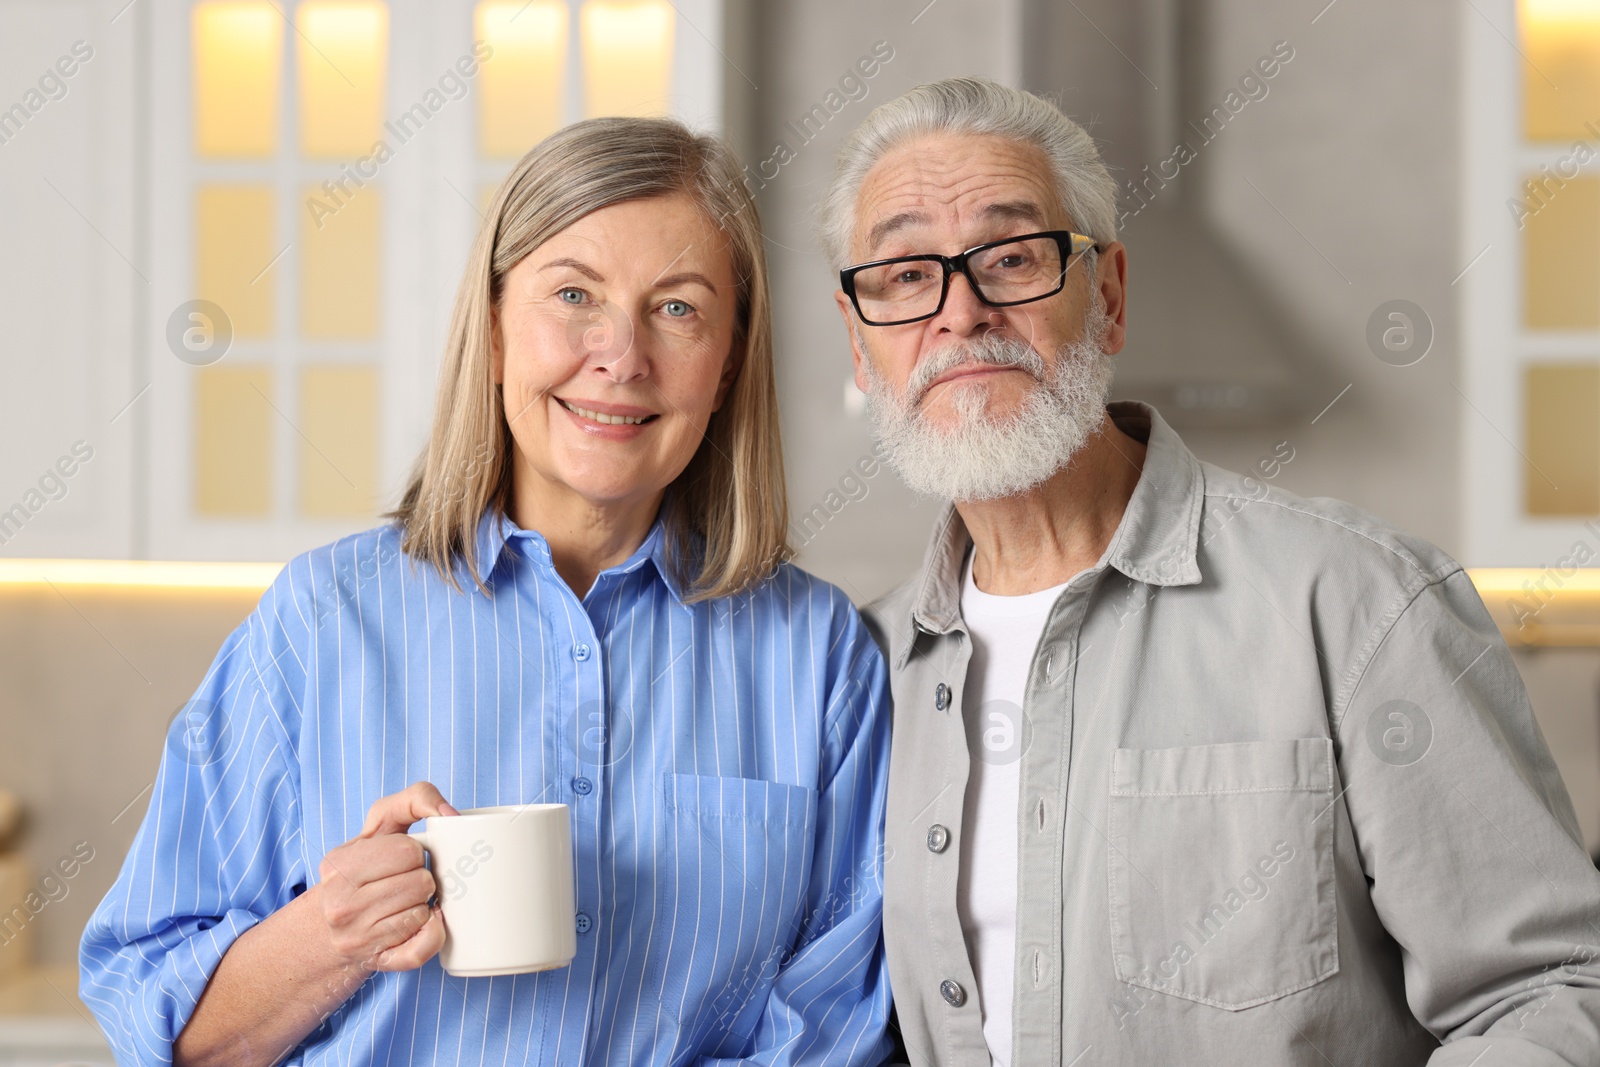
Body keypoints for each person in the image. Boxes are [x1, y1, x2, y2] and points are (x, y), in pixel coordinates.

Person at [81, 117, 893, 1067]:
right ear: (497, 330)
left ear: (725, 367)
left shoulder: (821, 653)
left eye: (677, 309)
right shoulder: (319, 619)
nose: (621, 355)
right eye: (574, 294)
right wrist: (329, 936)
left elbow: (835, 1035)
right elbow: (164, 1030)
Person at [821, 78, 1600, 1066]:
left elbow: (1552, 994)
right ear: (861, 344)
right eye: (901, 276)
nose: (961, 312)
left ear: (1105, 295)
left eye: (1010, 257)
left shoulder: (1356, 602)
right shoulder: (857, 670)